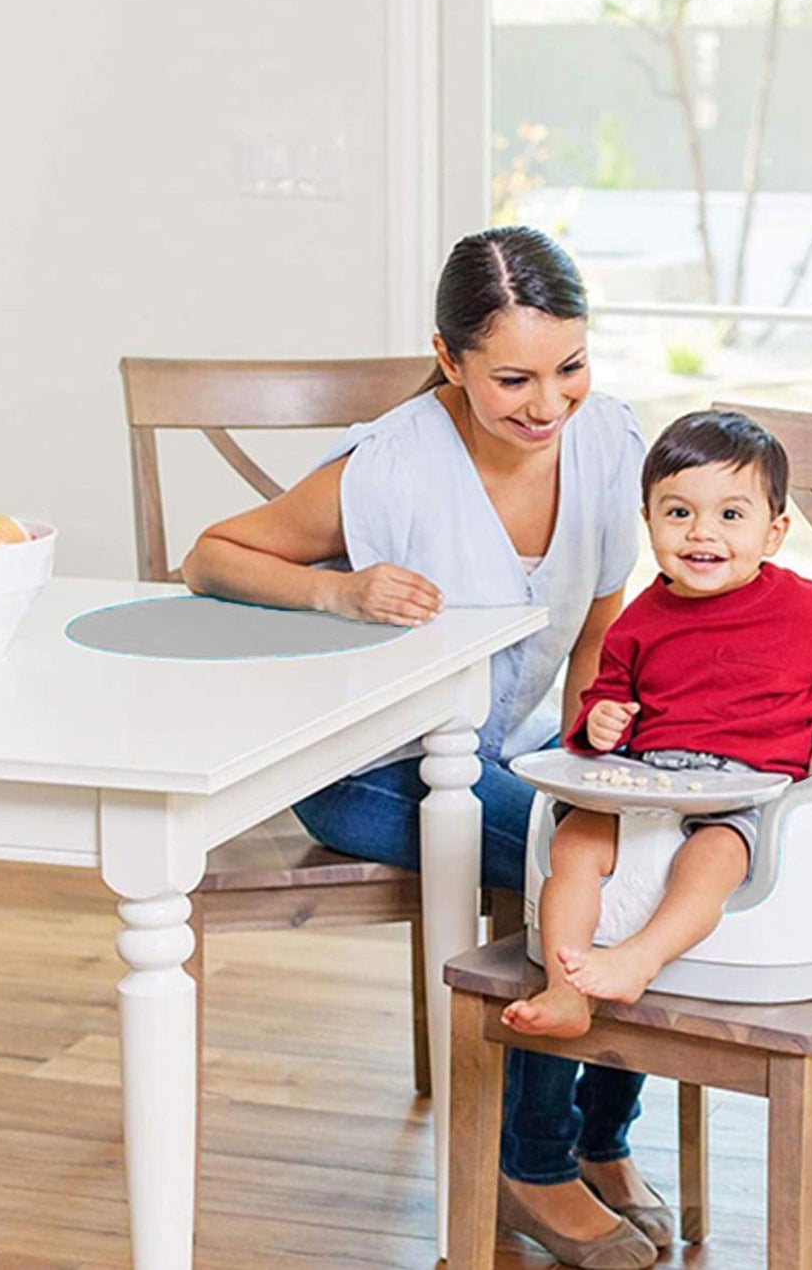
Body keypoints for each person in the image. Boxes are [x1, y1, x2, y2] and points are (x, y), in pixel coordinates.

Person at [182, 226, 667, 1270]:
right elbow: (208, 553)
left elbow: (595, 627)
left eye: (570, 366)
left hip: (506, 752)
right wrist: (339, 589)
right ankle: (530, 1166)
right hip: (368, 774)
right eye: (512, 378)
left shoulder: (608, 441)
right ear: (448, 359)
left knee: (645, 842)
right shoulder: (390, 466)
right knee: (572, 866)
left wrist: (600, 766)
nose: (547, 404)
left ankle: (595, 1137)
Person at [502, 409, 812, 1040]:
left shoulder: (809, 611)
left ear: (774, 531)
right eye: (678, 512)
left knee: (710, 861)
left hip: (744, 790)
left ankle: (638, 958)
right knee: (572, 846)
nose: (702, 533)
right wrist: (600, 722)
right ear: (648, 520)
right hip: (646, 781)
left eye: (731, 515)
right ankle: (565, 990)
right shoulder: (639, 619)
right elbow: (609, 694)